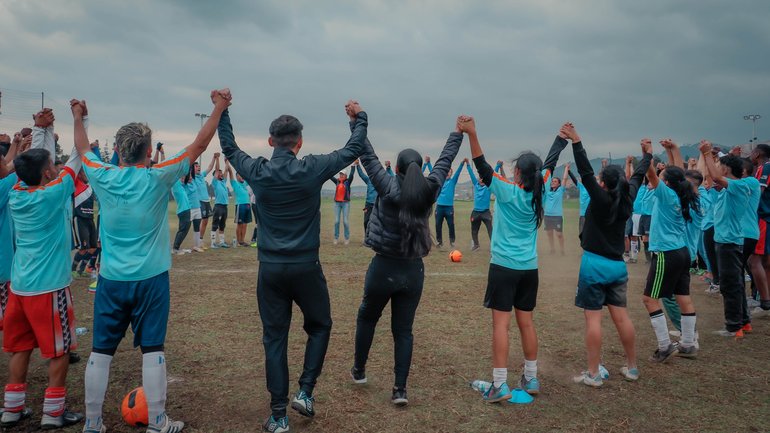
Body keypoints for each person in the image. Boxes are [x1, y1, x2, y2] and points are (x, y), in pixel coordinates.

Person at [77, 90, 229, 433]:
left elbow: (84, 148)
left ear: (117, 151)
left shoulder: (102, 174)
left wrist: (77, 117)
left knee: (101, 351)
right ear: (149, 152)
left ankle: (92, 422)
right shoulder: (157, 176)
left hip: (112, 280)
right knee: (153, 348)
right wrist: (219, 107)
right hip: (151, 279)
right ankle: (158, 422)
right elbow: (198, 147)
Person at [217, 96, 367, 433]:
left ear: (271, 142)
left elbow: (229, 147)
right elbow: (352, 149)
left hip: (270, 269)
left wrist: (223, 112)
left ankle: (279, 415)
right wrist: (359, 118)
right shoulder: (311, 167)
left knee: (274, 338)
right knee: (320, 325)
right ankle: (305, 391)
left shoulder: (257, 169)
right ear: (299, 143)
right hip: (305, 267)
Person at [351, 116, 463, 406]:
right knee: (403, 331)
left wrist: (357, 121)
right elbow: (444, 161)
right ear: (416, 169)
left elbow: (368, 155)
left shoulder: (387, 187)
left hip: (384, 267)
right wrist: (457, 133)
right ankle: (400, 389)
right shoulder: (430, 190)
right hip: (413, 271)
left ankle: (359, 370)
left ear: (397, 169)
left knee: (367, 317)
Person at [468, 118, 568, 402]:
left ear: (519, 174)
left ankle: (500, 384)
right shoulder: (543, 189)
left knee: (501, 325)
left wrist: (472, 133)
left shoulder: (507, 191)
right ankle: (531, 376)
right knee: (527, 323)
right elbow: (550, 163)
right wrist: (560, 140)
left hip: (503, 268)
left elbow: (481, 165)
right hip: (529, 269)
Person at [3, 135, 84, 428]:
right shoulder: (50, 195)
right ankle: (53, 412)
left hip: (19, 287)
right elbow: (76, 160)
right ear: (47, 173)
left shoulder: (15, 193)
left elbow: (24, 168)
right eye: (51, 164)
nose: (54, 166)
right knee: (60, 351)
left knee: (20, 348)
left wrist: (42, 133)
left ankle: (11, 409)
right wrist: (80, 121)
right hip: (48, 288)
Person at [567, 129, 652, 387]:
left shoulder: (601, 198)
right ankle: (633, 367)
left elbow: (583, 171)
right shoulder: (628, 197)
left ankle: (593, 373)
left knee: (594, 320)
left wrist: (577, 140)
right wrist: (646, 155)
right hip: (617, 266)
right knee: (622, 318)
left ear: (603, 182)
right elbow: (637, 175)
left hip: (594, 265)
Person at [642, 139, 699, 362]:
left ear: (667, 183)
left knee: (649, 299)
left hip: (667, 253)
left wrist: (647, 154)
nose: (660, 175)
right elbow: (678, 173)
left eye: (663, 175)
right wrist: (672, 152)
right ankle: (688, 343)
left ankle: (665, 346)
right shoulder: (685, 195)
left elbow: (651, 176)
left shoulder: (667, 195)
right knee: (683, 297)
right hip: (682, 252)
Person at [699, 141, 754, 337]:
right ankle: (744, 322)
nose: (718, 170)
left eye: (720, 165)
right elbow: (709, 178)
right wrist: (708, 160)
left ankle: (733, 327)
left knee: (730, 285)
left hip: (729, 242)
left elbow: (714, 176)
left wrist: (706, 153)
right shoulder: (726, 189)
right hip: (727, 241)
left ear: (727, 169)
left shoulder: (738, 186)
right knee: (736, 282)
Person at [424, 157, 465, 247]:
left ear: (451, 173)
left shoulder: (453, 181)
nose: (447, 173)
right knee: (438, 225)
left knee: (451, 225)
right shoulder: (439, 181)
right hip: (439, 207)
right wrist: (429, 163)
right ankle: (439, 242)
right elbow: (432, 171)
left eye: (449, 172)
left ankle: (452, 241)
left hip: (449, 208)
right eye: (446, 171)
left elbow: (457, 173)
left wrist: (462, 164)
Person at [749, 144, 770, 317]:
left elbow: (759, 192)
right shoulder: (762, 167)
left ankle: (764, 303)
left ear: (757, 154)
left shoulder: (765, 167)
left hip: (763, 217)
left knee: (754, 259)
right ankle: (764, 299)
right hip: (765, 217)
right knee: (764, 262)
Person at [465, 157, 502, 251]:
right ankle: (476, 245)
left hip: (485, 212)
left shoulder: (488, 186)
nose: (481, 180)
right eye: (480, 178)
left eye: (483, 178)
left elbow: (493, 175)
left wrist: (498, 165)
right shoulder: (476, 184)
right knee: (474, 230)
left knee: (490, 230)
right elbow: (471, 174)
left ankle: (493, 245)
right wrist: (468, 164)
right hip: (476, 212)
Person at [354, 159, 393, 244]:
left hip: (378, 204)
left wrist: (388, 167)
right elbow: (361, 175)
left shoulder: (381, 180)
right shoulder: (368, 180)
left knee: (379, 222)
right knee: (366, 221)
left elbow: (390, 176)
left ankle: (379, 239)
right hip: (368, 204)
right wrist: (358, 165)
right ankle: (367, 238)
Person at [543, 163, 568, 255]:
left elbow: (565, 179)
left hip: (557, 216)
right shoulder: (547, 191)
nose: (553, 182)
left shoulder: (560, 190)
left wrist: (566, 168)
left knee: (559, 235)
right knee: (549, 234)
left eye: (555, 181)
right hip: (547, 216)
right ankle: (552, 249)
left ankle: (562, 250)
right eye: (552, 181)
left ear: (559, 184)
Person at [210, 154, 231, 249]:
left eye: (221, 173)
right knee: (215, 225)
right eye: (219, 173)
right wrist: (217, 159)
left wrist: (227, 160)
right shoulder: (215, 183)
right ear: (216, 175)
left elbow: (226, 170)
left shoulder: (223, 182)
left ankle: (222, 242)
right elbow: (217, 169)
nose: (221, 174)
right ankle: (213, 243)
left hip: (224, 207)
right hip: (218, 206)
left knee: (222, 225)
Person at [329, 167, 355, 245]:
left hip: (345, 204)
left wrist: (353, 166)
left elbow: (352, 174)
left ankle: (346, 238)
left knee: (345, 222)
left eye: (342, 174)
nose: (341, 175)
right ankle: (336, 238)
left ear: (345, 175)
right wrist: (327, 168)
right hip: (337, 204)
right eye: (340, 174)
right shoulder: (337, 181)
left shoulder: (348, 182)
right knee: (336, 221)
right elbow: (330, 176)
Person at [195, 155, 217, 242]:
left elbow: (210, 167)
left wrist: (214, 158)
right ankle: (198, 241)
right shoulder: (192, 177)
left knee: (206, 221)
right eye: (196, 166)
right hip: (200, 202)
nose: (199, 168)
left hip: (207, 201)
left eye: (199, 166)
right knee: (201, 221)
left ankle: (201, 238)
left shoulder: (201, 175)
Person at [182, 165, 203, 252]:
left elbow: (193, 173)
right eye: (189, 176)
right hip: (190, 209)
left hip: (197, 208)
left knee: (197, 228)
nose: (190, 177)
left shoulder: (193, 181)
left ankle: (196, 246)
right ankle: (177, 246)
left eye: (191, 176)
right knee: (184, 228)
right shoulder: (184, 185)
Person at [567, 164, 591, 235]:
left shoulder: (593, 188)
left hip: (591, 215)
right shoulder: (581, 186)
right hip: (582, 214)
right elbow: (574, 180)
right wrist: (568, 171)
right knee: (581, 233)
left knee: (591, 233)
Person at [171, 178, 192, 255]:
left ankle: (176, 247)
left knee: (184, 229)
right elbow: (179, 173)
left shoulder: (180, 186)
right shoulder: (175, 185)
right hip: (183, 210)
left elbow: (187, 179)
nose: (182, 179)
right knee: (183, 230)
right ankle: (175, 249)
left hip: (185, 210)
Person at [231, 172, 252, 246]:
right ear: (236, 177)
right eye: (240, 176)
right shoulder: (235, 184)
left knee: (245, 224)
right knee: (239, 224)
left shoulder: (245, 183)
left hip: (247, 205)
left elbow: (249, 175)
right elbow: (230, 173)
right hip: (240, 205)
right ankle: (238, 241)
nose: (242, 177)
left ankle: (242, 241)